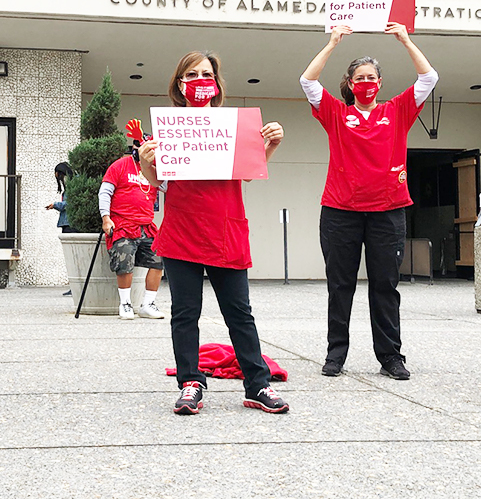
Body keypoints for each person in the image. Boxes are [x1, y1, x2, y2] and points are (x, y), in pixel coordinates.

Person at [137, 51, 289, 415]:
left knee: (239, 312)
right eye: (191, 74)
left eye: (207, 73)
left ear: (217, 84)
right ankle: (191, 383)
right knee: (185, 312)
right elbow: (160, 182)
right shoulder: (169, 128)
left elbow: (249, 171)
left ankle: (257, 384)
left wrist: (271, 144)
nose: (200, 80)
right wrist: (146, 161)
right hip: (183, 229)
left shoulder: (234, 126)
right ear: (179, 84)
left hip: (225, 228)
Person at [299, 23, 439, 380]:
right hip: (339, 212)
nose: (366, 82)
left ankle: (391, 357)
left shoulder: (396, 111)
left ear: (379, 82)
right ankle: (335, 355)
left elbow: (428, 77)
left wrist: (405, 40)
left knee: (385, 287)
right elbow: (308, 82)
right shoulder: (335, 113)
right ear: (349, 83)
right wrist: (332, 43)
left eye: (371, 76)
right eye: (359, 77)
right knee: (339, 285)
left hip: (387, 213)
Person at [100, 148, 166, 320]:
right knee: (124, 259)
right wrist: (106, 218)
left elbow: (167, 186)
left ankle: (148, 304)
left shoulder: (155, 168)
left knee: (159, 259)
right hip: (123, 223)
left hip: (146, 224)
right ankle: (125, 303)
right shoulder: (120, 166)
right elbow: (105, 192)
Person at [46, 162, 78, 233]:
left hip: (70, 223)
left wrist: (55, 205)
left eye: (60, 177)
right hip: (70, 222)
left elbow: (69, 203)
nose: (61, 180)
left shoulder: (73, 184)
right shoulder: (75, 182)